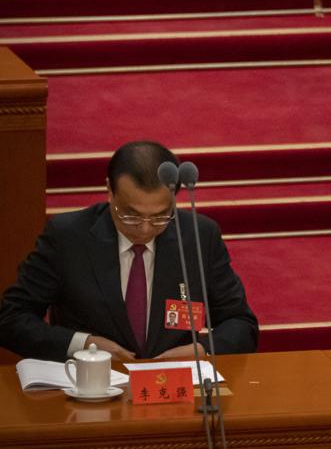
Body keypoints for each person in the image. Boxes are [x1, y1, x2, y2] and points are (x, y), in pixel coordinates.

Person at [0, 141, 258, 362]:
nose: (145, 229)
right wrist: (84, 344)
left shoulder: (199, 236)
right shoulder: (67, 237)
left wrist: (201, 350)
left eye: (160, 216)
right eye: (130, 215)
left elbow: (241, 324)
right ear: (109, 191)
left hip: (173, 391)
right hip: (90, 389)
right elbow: (10, 319)